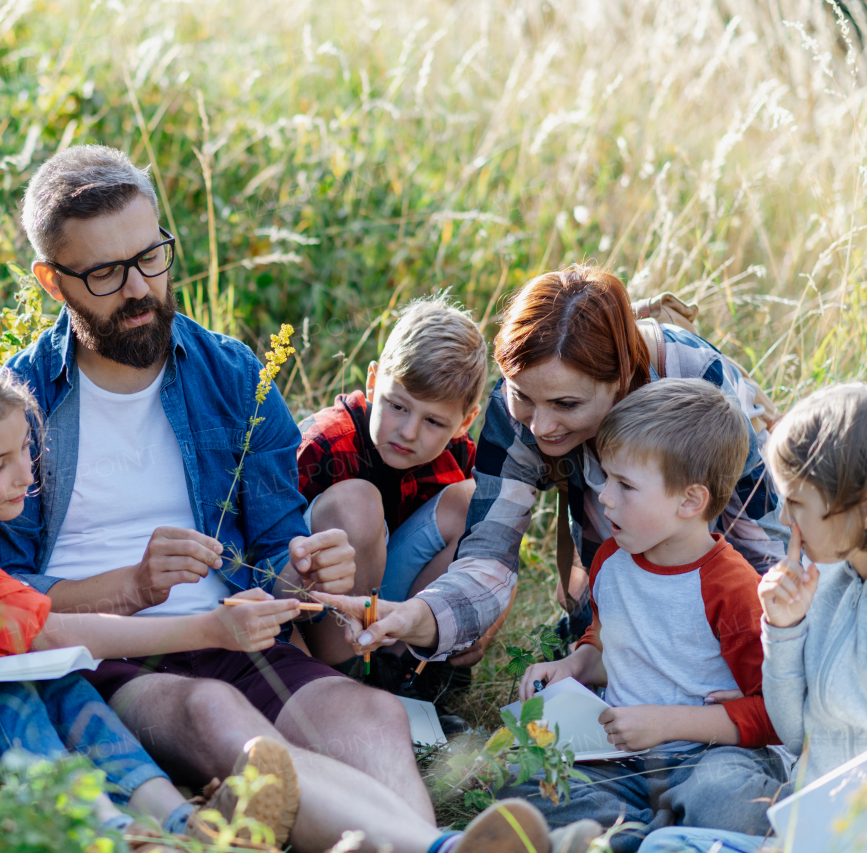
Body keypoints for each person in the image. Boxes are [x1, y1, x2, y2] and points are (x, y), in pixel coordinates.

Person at [0, 143, 542, 853]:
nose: (139, 288)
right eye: (105, 272)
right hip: (114, 657)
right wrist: (128, 587)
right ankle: (434, 849)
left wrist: (307, 569)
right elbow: (1, 594)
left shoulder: (230, 373)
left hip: (240, 635)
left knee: (372, 715)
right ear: (52, 280)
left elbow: (281, 546)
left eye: (150, 257)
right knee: (218, 713)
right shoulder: (19, 402)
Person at [0, 351, 305, 847]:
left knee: (64, 685)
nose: (24, 476)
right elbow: (48, 629)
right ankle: (119, 835)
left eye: (24, 450)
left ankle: (184, 825)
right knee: (1, 699)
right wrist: (210, 629)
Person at [317, 264, 788, 668]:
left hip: (722, 586)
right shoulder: (513, 410)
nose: (541, 427)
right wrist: (424, 616)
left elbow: (767, 547)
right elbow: (488, 556)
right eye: (523, 396)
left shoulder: (697, 377)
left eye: (566, 403)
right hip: (611, 569)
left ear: (620, 381)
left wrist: (758, 651)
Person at [494, 379, 784, 850]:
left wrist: (666, 724)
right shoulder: (613, 558)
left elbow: (772, 712)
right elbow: (611, 645)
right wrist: (571, 667)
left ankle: (645, 834)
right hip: (618, 755)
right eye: (607, 477)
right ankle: (648, 835)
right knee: (523, 781)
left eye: (625, 485)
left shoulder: (731, 587)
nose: (605, 497)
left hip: (708, 754)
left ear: (690, 501)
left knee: (733, 800)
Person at [639, 383, 867, 853]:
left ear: (859, 507)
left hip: (841, 836)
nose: (784, 520)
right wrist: (783, 630)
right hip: (807, 827)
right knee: (662, 846)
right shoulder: (827, 585)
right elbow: (795, 733)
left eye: (798, 504)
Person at [295, 293, 485, 670]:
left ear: (464, 422)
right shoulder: (327, 443)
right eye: (397, 406)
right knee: (359, 502)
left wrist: (479, 625)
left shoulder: (460, 455)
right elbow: (268, 549)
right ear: (372, 380)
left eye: (433, 421)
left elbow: (497, 556)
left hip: (391, 606)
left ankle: (404, 670)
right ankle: (348, 673)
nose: (409, 431)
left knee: (477, 504)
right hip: (320, 610)